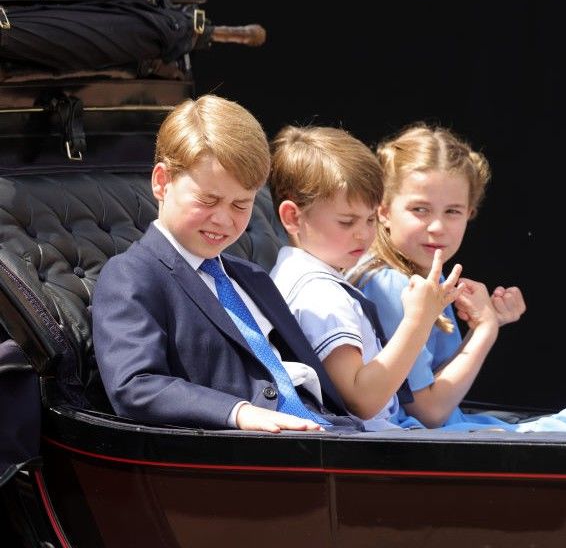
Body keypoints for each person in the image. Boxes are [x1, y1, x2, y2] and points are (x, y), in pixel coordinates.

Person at [92, 95, 360, 434]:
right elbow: (135, 384)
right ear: (162, 182)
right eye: (208, 200)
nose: (223, 219)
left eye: (241, 204)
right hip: (248, 454)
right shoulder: (133, 274)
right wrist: (240, 413)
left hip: (334, 433)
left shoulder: (251, 277)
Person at [267, 125, 464, 431]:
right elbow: (362, 399)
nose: (364, 233)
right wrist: (418, 320)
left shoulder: (299, 274)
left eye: (370, 219)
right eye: (347, 221)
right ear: (293, 217)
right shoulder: (320, 295)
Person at [348, 123, 526, 430]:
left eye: (453, 211)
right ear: (384, 210)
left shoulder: (425, 274)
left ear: (470, 212)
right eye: (420, 209)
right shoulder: (393, 285)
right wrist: (485, 330)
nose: (437, 227)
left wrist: (488, 321)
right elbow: (428, 411)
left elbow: (438, 384)